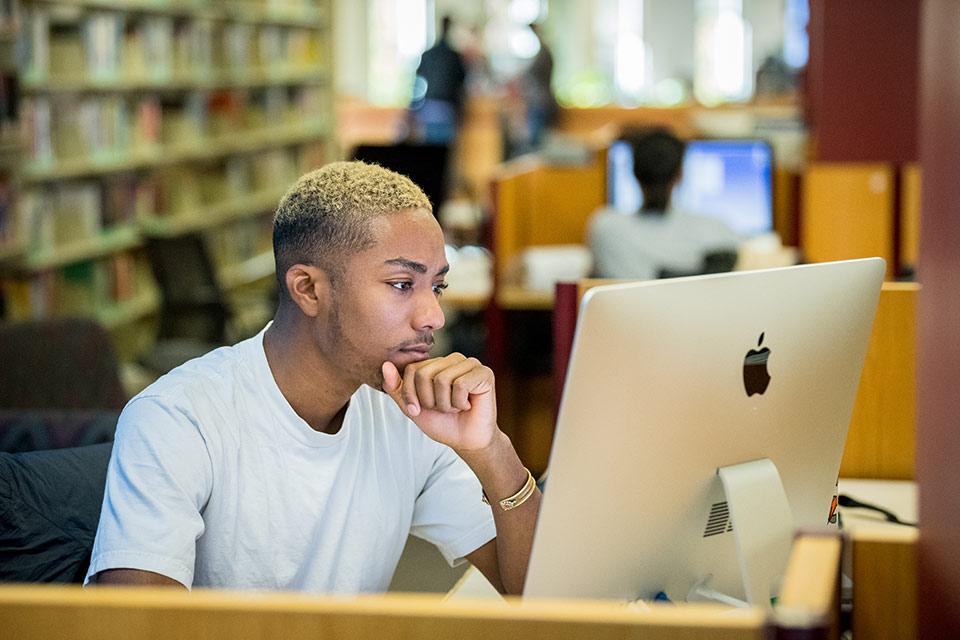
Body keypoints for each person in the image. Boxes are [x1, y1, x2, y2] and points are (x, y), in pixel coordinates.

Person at [85, 161, 541, 595]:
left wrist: (491, 451)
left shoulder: (409, 412)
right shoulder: (178, 419)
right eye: (403, 284)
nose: (435, 316)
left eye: (436, 287)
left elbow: (540, 594)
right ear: (308, 289)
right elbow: (135, 627)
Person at [588, 128, 741, 280]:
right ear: (680, 174)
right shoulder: (717, 232)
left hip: (628, 305)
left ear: (634, 172)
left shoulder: (605, 227)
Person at [409, 16, 467, 144]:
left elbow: (417, 84)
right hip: (445, 109)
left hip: (429, 109)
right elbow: (461, 83)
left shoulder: (428, 55)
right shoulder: (454, 57)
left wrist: (413, 108)